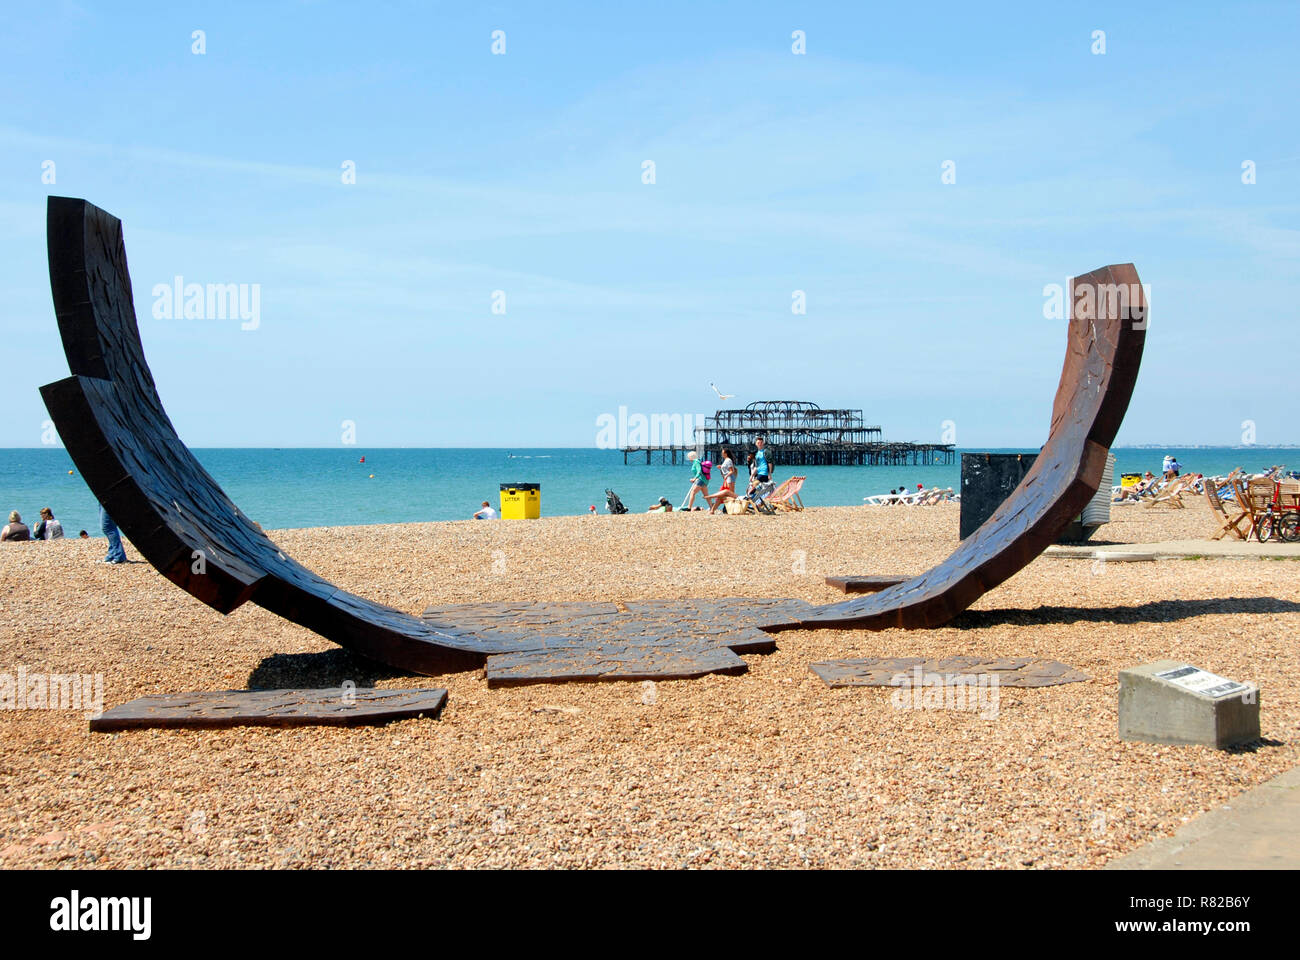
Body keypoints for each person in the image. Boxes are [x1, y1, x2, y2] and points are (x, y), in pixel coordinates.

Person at [704, 447, 739, 513]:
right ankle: (713, 510)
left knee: (729, 495)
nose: (721, 454)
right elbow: (727, 471)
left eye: (723, 453)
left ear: (726, 454)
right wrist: (721, 468)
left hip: (730, 480)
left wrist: (726, 476)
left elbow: (731, 471)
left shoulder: (728, 460)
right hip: (727, 479)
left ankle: (729, 509)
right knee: (722, 495)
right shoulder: (726, 460)